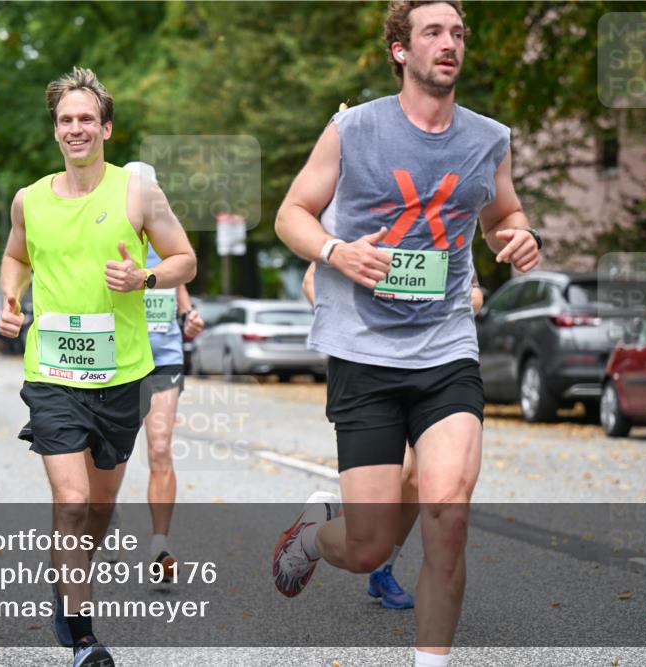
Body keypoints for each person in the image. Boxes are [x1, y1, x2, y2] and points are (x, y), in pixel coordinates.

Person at [272, 3, 541, 665]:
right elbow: (291, 213)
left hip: (445, 349)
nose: (450, 44)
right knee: (369, 547)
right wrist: (336, 251)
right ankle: (313, 536)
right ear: (400, 49)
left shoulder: (489, 139)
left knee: (448, 515)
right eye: (433, 33)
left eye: (458, 34)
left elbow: (502, 213)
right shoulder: (353, 128)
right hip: (364, 352)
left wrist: (519, 236)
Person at [0, 67, 196, 667]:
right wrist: (10, 299)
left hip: (122, 376)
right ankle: (85, 639)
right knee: (72, 500)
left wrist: (145, 277)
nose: (76, 128)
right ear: (55, 130)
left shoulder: (138, 193)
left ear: (106, 128)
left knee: (99, 510)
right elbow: (15, 256)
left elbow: (185, 260)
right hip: (53, 373)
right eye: (66, 120)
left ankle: (67, 580)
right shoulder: (29, 199)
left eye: (87, 118)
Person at [302, 262, 485, 609]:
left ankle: (383, 568)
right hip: (370, 366)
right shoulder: (361, 227)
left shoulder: (446, 232)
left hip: (434, 362)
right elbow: (313, 279)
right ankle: (315, 534)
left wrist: (441, 307)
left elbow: (474, 292)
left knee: (417, 481)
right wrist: (351, 323)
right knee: (400, 472)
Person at [123, 160, 206, 579]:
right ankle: (100, 520)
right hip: (118, 362)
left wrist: (190, 319)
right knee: (107, 456)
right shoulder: (111, 240)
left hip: (164, 358)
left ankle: (160, 546)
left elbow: (180, 293)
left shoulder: (169, 243)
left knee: (159, 448)